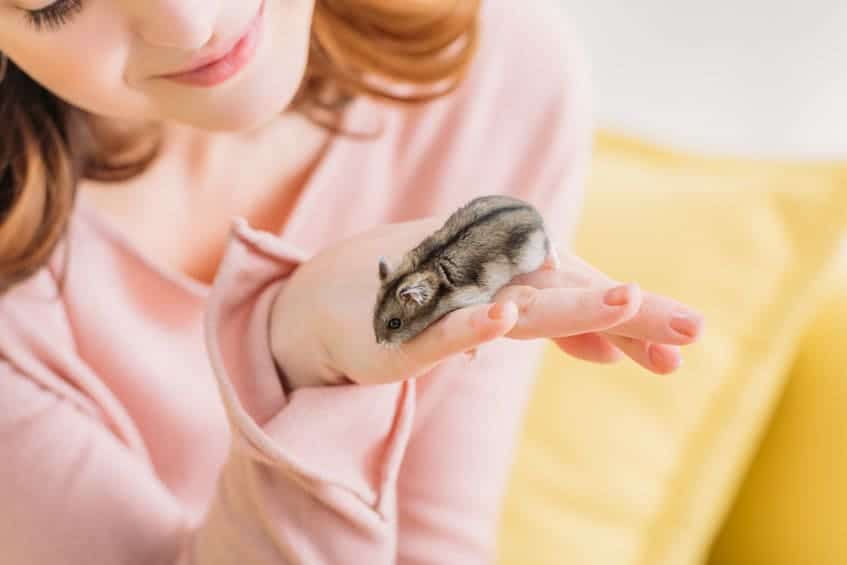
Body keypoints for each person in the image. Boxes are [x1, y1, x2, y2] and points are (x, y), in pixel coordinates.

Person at [0, 0, 704, 563]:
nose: (188, 21)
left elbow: (435, 546)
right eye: (54, 3)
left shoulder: (497, 75)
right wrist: (301, 371)